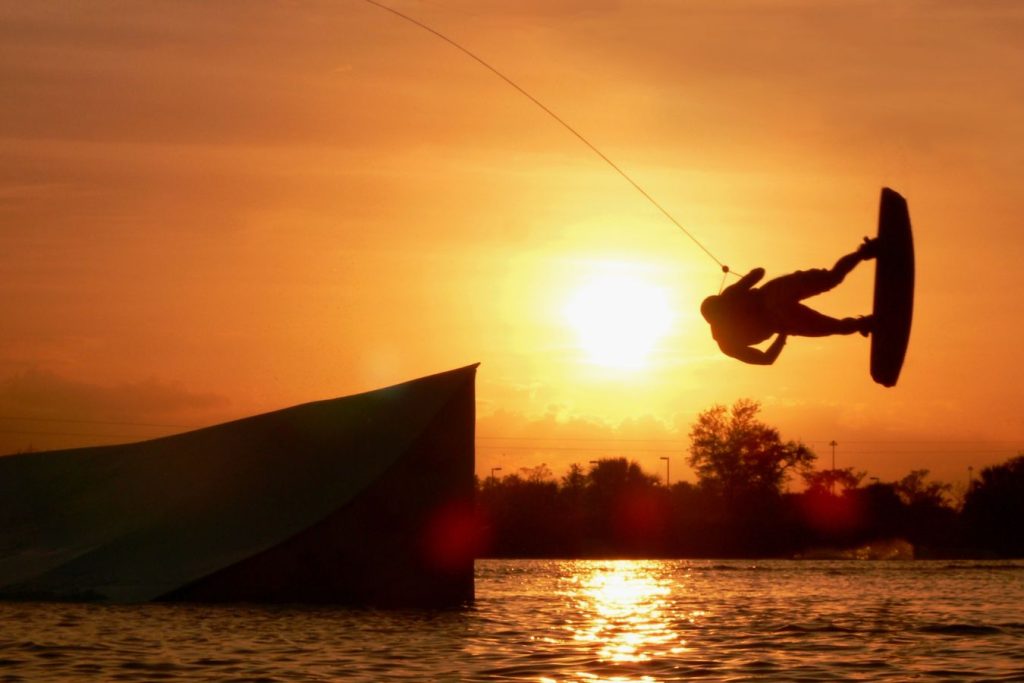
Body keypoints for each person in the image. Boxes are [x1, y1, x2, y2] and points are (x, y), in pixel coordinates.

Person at [700, 239, 877, 365]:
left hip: (780, 320)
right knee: (831, 278)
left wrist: (782, 335)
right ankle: (864, 252)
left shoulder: (726, 344)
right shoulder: (729, 297)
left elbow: (766, 359)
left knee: (833, 327)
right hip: (774, 294)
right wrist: (743, 278)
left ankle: (865, 323)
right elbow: (759, 272)